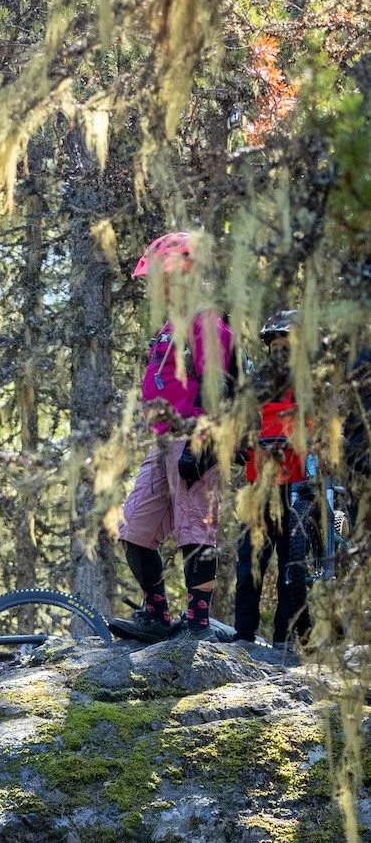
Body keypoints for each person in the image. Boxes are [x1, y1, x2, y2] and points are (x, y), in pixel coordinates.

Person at [118, 231, 236, 636]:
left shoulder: (207, 322)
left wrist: (202, 446)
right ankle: (157, 613)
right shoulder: (171, 324)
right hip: (163, 438)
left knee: (195, 529)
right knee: (135, 528)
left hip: (193, 435)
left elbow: (218, 388)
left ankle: (198, 620)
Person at [234, 309, 313, 647]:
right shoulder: (259, 387)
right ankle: (244, 635)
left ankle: (284, 638)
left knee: (290, 566)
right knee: (249, 561)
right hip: (260, 486)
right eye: (275, 344)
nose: (280, 350)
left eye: (287, 343)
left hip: (296, 485)